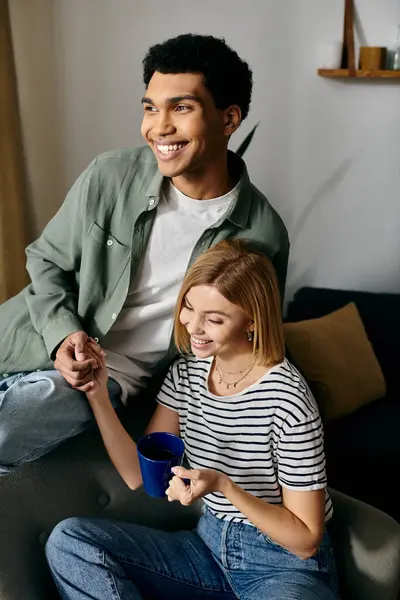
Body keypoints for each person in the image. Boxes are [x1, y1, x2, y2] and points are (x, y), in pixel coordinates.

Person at [0, 33, 289, 474]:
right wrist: (64, 335)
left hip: (108, 377)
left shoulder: (261, 235)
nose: (159, 127)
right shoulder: (110, 175)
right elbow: (47, 259)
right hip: (30, 333)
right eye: (150, 108)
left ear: (229, 119)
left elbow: (248, 345)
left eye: (182, 108)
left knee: (14, 421)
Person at [45, 239, 340, 600]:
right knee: (71, 542)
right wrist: (97, 391)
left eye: (213, 319)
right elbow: (138, 474)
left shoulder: (288, 398)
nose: (192, 326)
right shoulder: (186, 375)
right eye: (188, 306)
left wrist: (224, 485)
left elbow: (306, 539)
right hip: (208, 550)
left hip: (283, 567)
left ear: (252, 321)